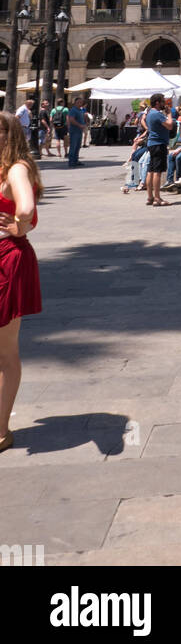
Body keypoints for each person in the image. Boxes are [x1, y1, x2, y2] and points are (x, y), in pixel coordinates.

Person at [0, 111, 43, 454]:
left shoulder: (16, 168)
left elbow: (26, 206)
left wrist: (19, 225)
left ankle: (1, 430)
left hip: (7, 260)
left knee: (5, 350)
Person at [144, 93, 174, 206]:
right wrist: (169, 114)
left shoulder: (149, 113)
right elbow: (170, 125)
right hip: (159, 144)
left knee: (150, 171)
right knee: (157, 172)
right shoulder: (157, 114)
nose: (164, 104)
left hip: (152, 144)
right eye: (162, 101)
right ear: (157, 102)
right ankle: (157, 198)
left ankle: (150, 197)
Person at [67, 98, 88, 168]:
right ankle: (71, 162)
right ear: (75, 103)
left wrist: (84, 122)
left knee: (78, 147)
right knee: (73, 146)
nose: (80, 103)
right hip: (74, 131)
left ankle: (76, 160)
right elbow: (71, 119)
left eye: (81, 102)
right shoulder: (73, 110)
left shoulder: (81, 110)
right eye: (79, 102)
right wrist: (80, 125)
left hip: (79, 131)